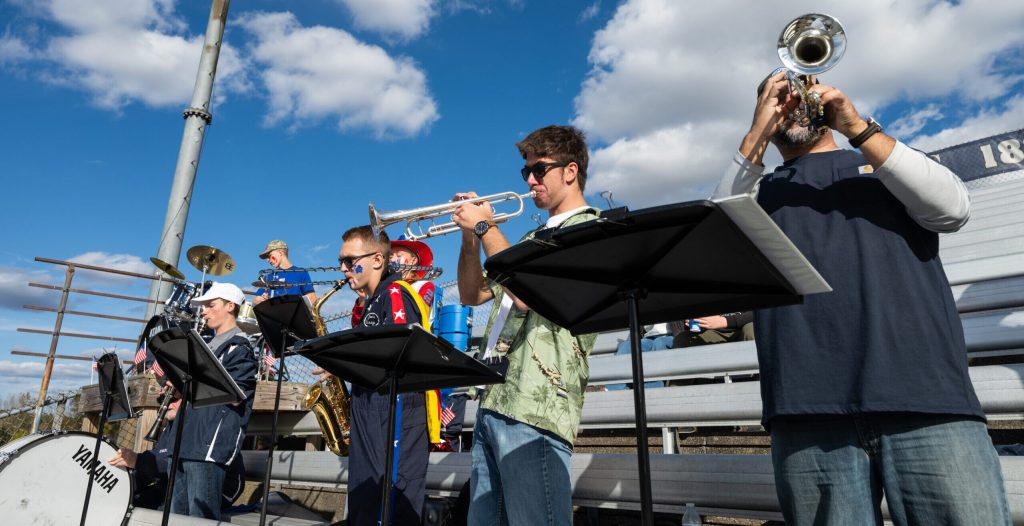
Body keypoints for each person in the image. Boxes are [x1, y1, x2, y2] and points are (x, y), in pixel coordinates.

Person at [712, 71, 1010, 525]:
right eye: (779, 99)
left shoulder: (885, 166)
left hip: (927, 401)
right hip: (806, 412)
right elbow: (718, 241)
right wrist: (757, 131)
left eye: (802, 93)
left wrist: (858, 127)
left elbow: (953, 208)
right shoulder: (758, 195)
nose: (794, 104)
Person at [452, 124, 600, 525]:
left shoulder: (590, 229)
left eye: (539, 170)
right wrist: (469, 239)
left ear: (570, 172)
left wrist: (485, 227)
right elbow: (472, 295)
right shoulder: (532, 237)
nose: (530, 181)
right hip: (494, 399)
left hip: (537, 403)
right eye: (526, 173)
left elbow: (530, 291)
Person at [339, 225, 432, 526]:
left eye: (350, 261)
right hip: (374, 408)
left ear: (378, 259)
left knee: (391, 510)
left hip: (392, 410)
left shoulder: (394, 294)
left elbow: (400, 354)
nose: (344, 269)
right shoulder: (374, 300)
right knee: (366, 506)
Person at [169, 282, 258, 520]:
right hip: (186, 441)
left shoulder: (240, 347)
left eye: (211, 305)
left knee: (201, 518)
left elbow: (237, 395)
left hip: (208, 446)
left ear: (231, 306)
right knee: (176, 516)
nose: (205, 311)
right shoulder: (205, 344)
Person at [107, 396, 245, 511]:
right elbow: (159, 455)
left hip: (220, 489)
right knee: (131, 502)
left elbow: (171, 462)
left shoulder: (198, 425)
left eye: (174, 398)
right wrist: (127, 481)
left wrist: (137, 460)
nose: (167, 403)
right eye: (163, 399)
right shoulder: (172, 425)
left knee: (160, 510)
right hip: (176, 483)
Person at [254, 239, 316, 305]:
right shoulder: (269, 276)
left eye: (269, 256)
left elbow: (312, 298)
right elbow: (255, 299)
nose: (268, 260)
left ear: (280, 252)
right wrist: (262, 300)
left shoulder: (301, 273)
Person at [672, 313, 754, 348]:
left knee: (752, 329)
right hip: (712, 332)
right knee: (682, 339)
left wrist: (725, 321)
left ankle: (763, 381)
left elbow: (761, 311)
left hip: (743, 328)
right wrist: (695, 324)